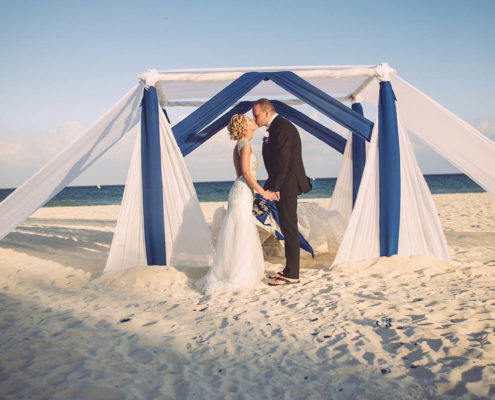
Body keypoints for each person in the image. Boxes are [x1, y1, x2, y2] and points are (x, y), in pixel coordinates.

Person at [197, 114, 277, 294]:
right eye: (249, 120)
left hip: (240, 192)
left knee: (238, 232)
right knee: (241, 232)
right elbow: (247, 175)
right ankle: (238, 275)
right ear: (244, 126)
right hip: (242, 193)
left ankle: (235, 271)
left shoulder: (238, 145)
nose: (253, 121)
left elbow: (239, 174)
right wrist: (263, 192)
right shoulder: (246, 145)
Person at [252, 99, 312, 286]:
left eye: (256, 115)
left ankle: (293, 274)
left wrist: (273, 189)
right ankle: (288, 269)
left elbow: (284, 163)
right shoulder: (275, 127)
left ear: (267, 113)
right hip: (281, 183)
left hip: (287, 185)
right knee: (286, 227)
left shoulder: (283, 127)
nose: (254, 118)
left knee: (289, 228)